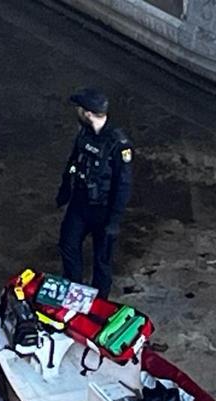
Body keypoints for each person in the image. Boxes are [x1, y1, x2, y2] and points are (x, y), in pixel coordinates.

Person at [56, 87, 133, 299]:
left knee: (102, 260)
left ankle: (99, 303)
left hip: (104, 210)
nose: (77, 112)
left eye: (79, 109)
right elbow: (73, 161)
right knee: (68, 245)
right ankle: (73, 293)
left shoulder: (118, 143)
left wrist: (114, 221)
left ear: (88, 113)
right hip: (80, 204)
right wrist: (65, 188)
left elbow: (123, 185)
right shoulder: (84, 133)